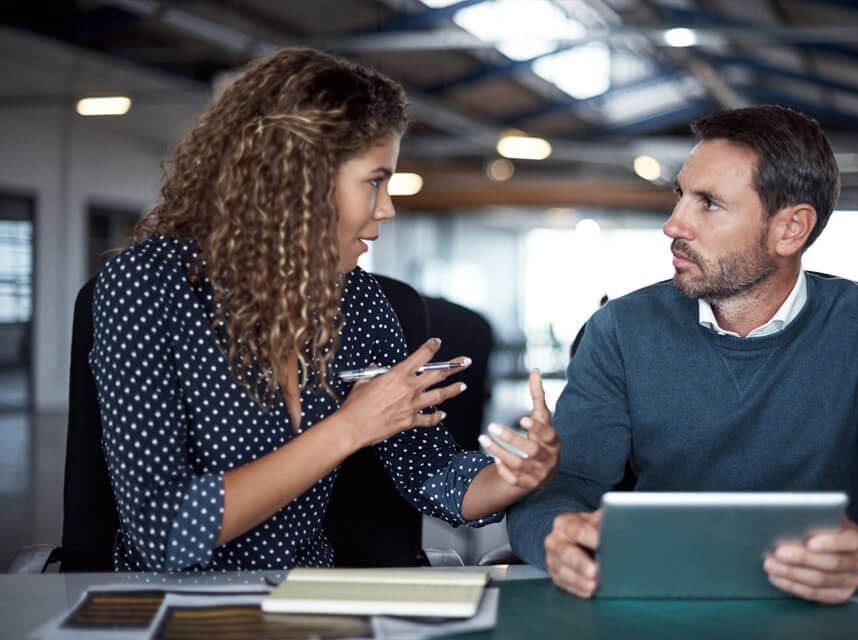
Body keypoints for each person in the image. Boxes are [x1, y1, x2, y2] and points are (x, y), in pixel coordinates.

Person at [90, 47, 559, 572]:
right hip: (172, 605)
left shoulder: (355, 298)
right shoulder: (149, 284)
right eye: (375, 181)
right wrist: (350, 427)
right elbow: (164, 533)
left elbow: (434, 475)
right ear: (298, 181)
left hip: (308, 599)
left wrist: (513, 474)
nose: (387, 208)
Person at [506, 105, 858, 603]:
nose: (673, 225)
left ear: (791, 229)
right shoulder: (619, 332)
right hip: (656, 604)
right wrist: (556, 536)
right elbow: (555, 488)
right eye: (680, 196)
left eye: (709, 204)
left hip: (822, 614)